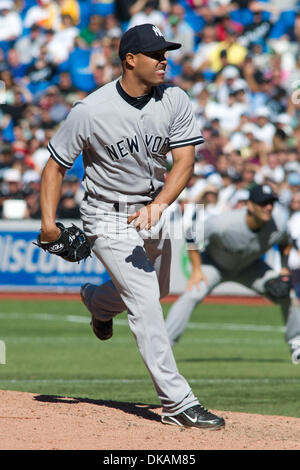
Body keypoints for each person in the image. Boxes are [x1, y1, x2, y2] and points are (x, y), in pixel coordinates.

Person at [38, 23, 225, 430]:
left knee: (159, 288)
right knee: (145, 299)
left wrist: (159, 205)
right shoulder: (90, 110)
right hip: (105, 214)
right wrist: (49, 225)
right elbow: (55, 166)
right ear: (130, 59)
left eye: (166, 52)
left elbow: (185, 162)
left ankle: (98, 303)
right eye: (156, 54)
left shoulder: (174, 98)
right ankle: (177, 402)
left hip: (152, 207)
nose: (164, 60)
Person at [165, 184, 300, 365]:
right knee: (191, 295)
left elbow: (286, 242)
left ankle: (297, 345)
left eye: (271, 203)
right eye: (263, 203)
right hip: (214, 264)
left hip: (250, 267)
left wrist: (284, 269)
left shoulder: (278, 222)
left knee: (287, 293)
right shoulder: (225, 223)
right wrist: (197, 269)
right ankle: (163, 348)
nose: (268, 207)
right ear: (250, 206)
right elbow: (191, 236)